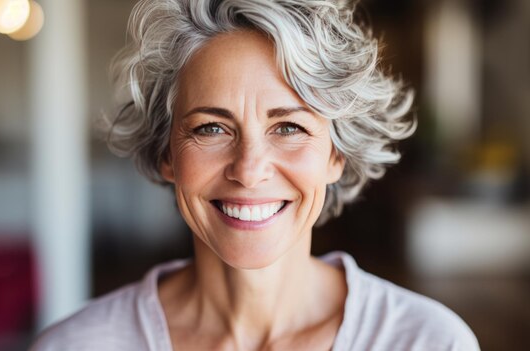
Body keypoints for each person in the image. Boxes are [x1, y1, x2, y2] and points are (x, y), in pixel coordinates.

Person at [31, 0, 480, 350]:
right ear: (166, 152)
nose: (249, 170)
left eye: (289, 127)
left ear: (335, 155)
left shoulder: (430, 342)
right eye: (211, 128)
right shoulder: (74, 346)